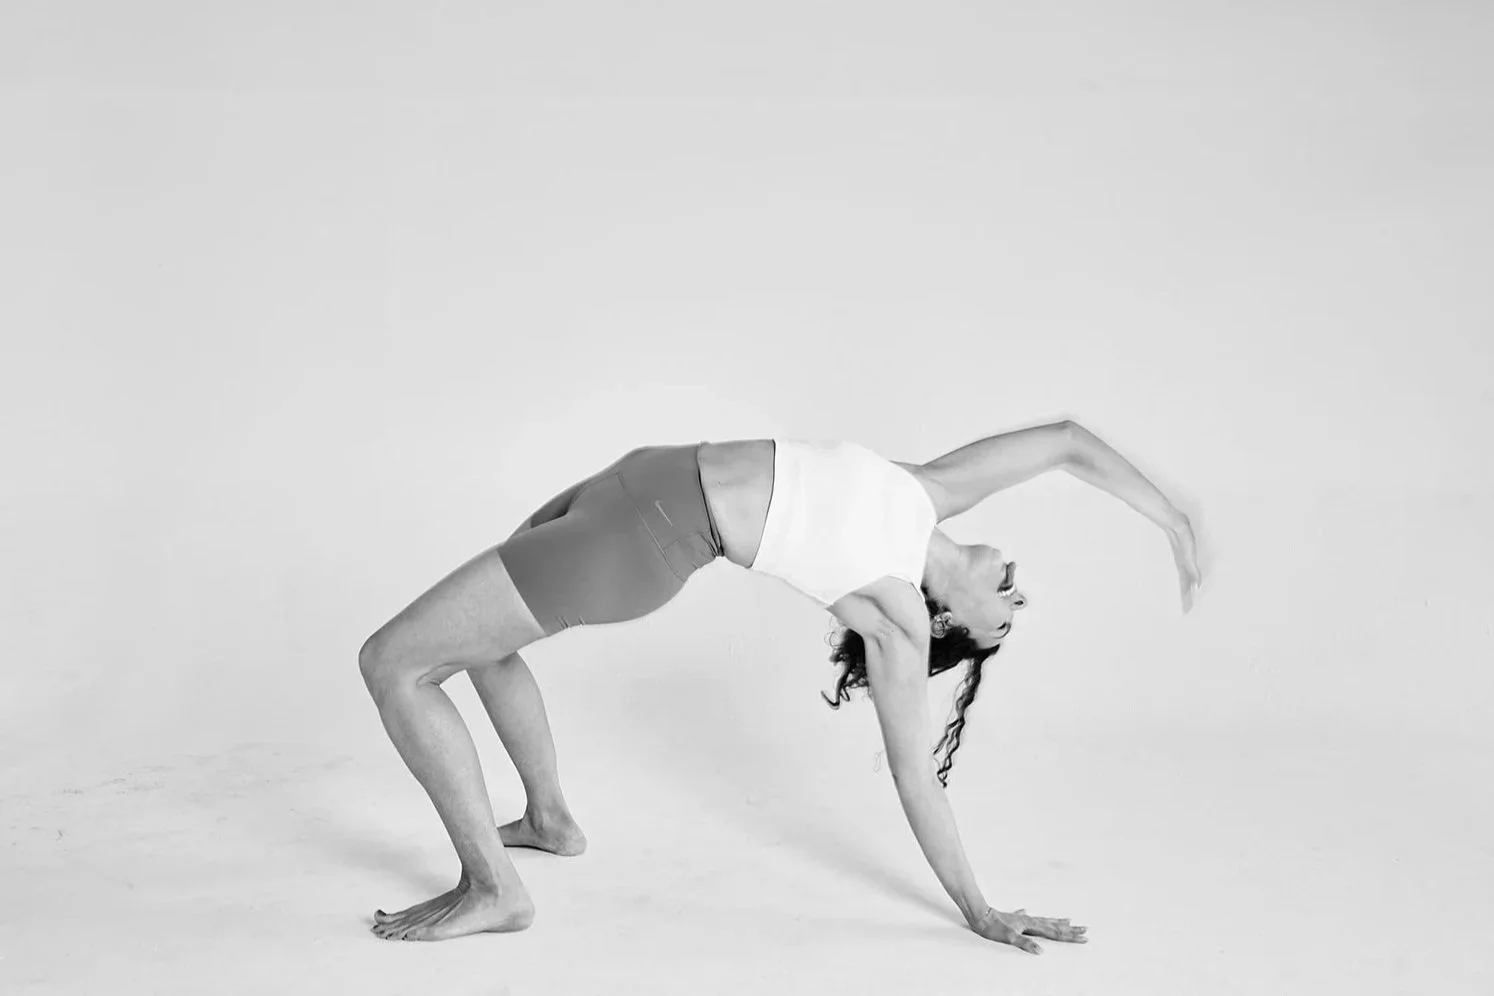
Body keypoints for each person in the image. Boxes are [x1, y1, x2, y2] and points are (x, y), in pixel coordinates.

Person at [358, 420, 1203, 950]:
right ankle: (549, 821)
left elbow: (916, 780)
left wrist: (980, 910)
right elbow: (1065, 441)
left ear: (954, 624)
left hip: (640, 538)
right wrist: (1172, 517)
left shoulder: (898, 620)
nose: (1018, 593)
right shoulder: (928, 494)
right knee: (486, 644)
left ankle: (493, 888)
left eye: (1007, 617)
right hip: (638, 478)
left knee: (394, 661)